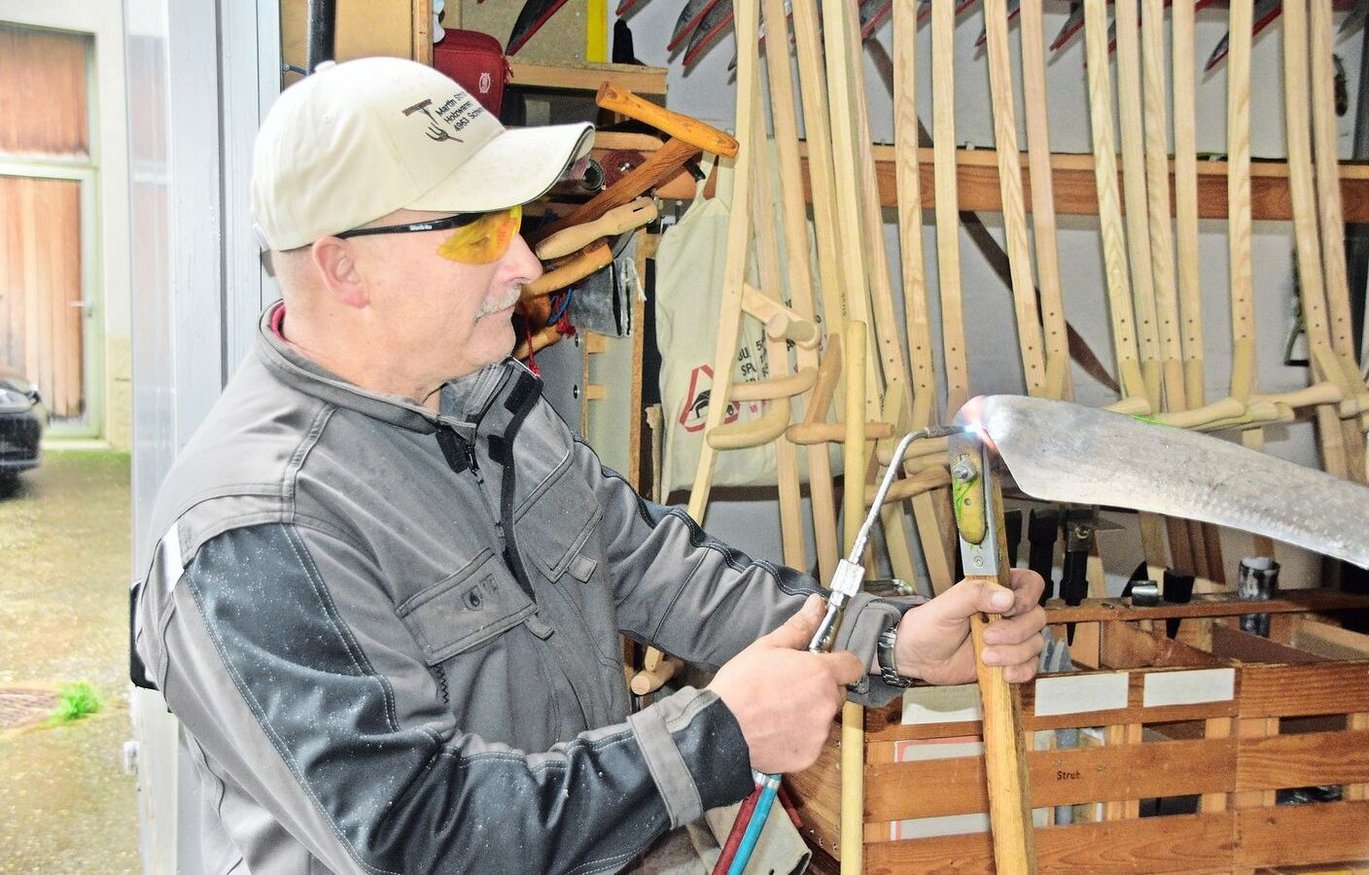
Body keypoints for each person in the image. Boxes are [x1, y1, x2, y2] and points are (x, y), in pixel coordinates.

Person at [132, 56, 1047, 875]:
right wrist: (711, 740)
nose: (525, 262)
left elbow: (666, 570)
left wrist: (893, 639)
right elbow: (415, 836)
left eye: (515, 222)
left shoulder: (488, 404)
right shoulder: (252, 533)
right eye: (477, 232)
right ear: (346, 271)